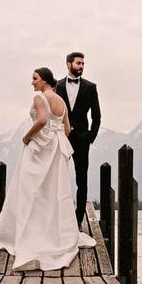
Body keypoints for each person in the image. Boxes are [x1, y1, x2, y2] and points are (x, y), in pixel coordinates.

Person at [0, 67, 95, 271]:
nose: (32, 82)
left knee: (30, 190)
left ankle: (31, 235)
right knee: (53, 192)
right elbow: (66, 129)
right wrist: (54, 138)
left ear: (45, 81)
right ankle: (54, 234)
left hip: (39, 150)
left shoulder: (40, 98)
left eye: (35, 79)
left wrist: (27, 137)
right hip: (56, 149)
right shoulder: (62, 101)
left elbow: (41, 120)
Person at [56, 51, 100, 224]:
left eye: (83, 64)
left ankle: (79, 218)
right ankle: (59, 218)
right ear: (68, 64)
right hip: (61, 138)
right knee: (57, 177)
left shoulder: (90, 87)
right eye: (78, 63)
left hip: (82, 140)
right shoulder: (57, 86)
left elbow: (97, 116)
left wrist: (90, 137)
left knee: (82, 179)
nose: (81, 66)